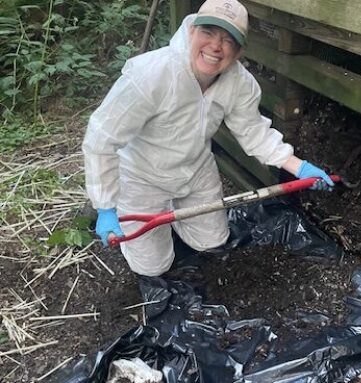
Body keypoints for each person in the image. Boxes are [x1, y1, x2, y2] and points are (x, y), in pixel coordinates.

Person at [82, 0, 334, 277]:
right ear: (191, 31)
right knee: (153, 268)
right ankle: (139, 218)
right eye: (209, 32)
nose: (216, 46)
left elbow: (254, 132)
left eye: (228, 40)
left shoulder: (240, 83)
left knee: (211, 242)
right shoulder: (150, 74)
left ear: (239, 51)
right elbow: (101, 139)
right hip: (142, 177)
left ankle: (176, 215)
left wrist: (299, 167)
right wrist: (105, 206)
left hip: (195, 170)